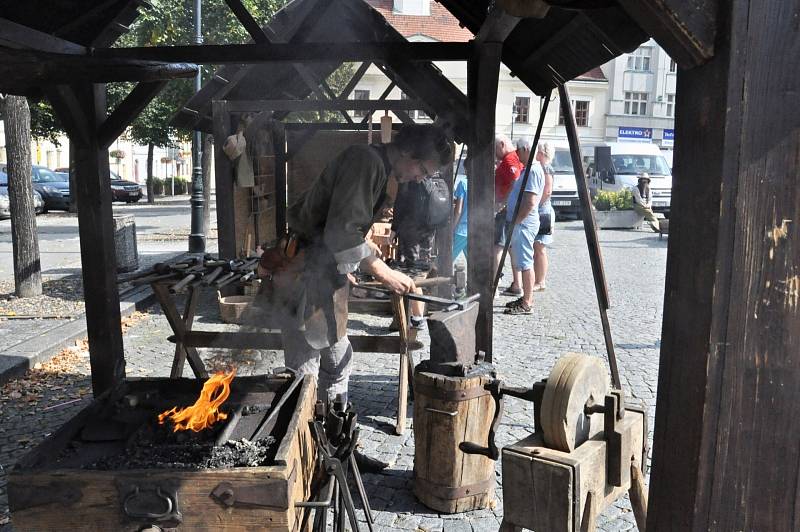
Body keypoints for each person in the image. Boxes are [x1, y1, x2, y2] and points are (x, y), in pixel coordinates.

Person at [259, 124, 453, 403]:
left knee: (338, 363)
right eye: (422, 170)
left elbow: (342, 226)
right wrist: (384, 272)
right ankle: (302, 440)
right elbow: (341, 233)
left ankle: (331, 434)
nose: (417, 178)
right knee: (304, 376)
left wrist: (354, 261)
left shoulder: (379, 167)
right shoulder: (365, 161)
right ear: (409, 152)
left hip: (326, 278)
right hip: (304, 276)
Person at [391, 179, 437, 330]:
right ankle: (416, 316)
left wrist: (394, 228)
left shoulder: (409, 176)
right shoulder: (434, 176)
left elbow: (400, 203)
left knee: (409, 275)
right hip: (428, 232)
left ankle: (412, 317)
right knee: (420, 273)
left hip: (410, 231)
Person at [504, 152, 545, 315]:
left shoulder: (533, 171)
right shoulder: (530, 169)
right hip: (522, 223)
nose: (517, 154)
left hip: (524, 223)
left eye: (519, 151)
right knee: (522, 260)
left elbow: (530, 202)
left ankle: (527, 302)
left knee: (526, 262)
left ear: (526, 150)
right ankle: (525, 298)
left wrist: (517, 221)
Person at [493, 135, 524, 296]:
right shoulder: (514, 159)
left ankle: (494, 286)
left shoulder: (510, 160)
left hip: (504, 212)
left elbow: (516, 183)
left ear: (502, 145)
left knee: (496, 248)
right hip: (509, 211)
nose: (494, 153)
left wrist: (503, 203)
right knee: (511, 249)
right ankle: (517, 285)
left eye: (495, 149)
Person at [533, 141, 555, 291]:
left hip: (543, 211)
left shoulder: (546, 167)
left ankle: (540, 281)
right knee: (538, 247)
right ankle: (538, 280)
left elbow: (547, 191)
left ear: (541, 153)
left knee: (540, 247)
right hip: (542, 210)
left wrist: (535, 205)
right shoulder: (543, 167)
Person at [452, 172, 468, 262]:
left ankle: (433, 275)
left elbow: (458, 211)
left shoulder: (463, 183)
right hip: (475, 230)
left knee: (444, 259)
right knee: (473, 262)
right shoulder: (481, 185)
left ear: (466, 169)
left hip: (461, 230)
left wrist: (452, 228)